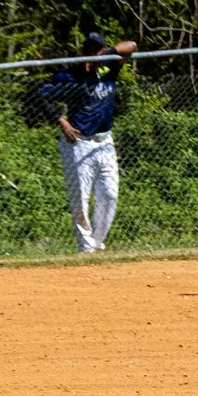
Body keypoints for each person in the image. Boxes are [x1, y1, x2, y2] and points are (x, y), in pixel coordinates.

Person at [47, 31, 139, 253]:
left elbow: (132, 45)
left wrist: (106, 55)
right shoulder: (71, 76)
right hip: (78, 143)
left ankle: (97, 242)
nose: (94, 52)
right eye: (90, 48)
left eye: (98, 48)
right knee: (80, 198)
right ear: (83, 51)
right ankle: (86, 247)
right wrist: (61, 120)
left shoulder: (108, 67)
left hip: (105, 141)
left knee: (110, 194)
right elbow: (42, 95)